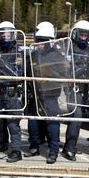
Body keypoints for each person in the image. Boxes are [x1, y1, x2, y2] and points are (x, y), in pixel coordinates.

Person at [62, 20, 89, 161]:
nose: (84, 36)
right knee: (76, 117)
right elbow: (66, 71)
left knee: (78, 117)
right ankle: (69, 149)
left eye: (86, 34)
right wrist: (84, 67)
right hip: (71, 88)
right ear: (76, 33)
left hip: (85, 88)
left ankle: (69, 146)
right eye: (81, 33)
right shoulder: (68, 49)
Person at [25, 23, 62, 164]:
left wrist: (49, 78)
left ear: (50, 41)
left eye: (43, 41)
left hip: (51, 94)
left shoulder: (57, 56)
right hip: (34, 93)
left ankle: (53, 152)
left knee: (52, 123)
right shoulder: (33, 55)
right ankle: (34, 147)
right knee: (33, 122)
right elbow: (27, 72)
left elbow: (63, 74)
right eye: (39, 40)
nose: (40, 44)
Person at [0, 21, 24, 163]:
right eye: (2, 33)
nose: (5, 35)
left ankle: (16, 150)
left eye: (8, 33)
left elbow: (19, 73)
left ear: (13, 34)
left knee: (12, 123)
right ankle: (0, 143)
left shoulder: (19, 51)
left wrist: (3, 65)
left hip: (11, 91)